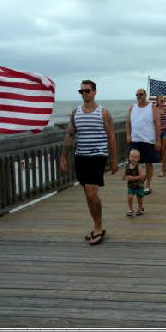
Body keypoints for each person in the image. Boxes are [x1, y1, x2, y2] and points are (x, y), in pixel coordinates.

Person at [60, 79, 118, 246]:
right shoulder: (75, 112)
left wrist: (114, 160)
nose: (84, 94)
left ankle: (98, 227)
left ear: (94, 92)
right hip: (80, 157)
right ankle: (96, 224)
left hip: (98, 156)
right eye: (81, 91)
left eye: (87, 91)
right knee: (88, 194)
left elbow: (111, 136)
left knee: (92, 193)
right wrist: (63, 157)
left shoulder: (103, 113)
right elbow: (70, 135)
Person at [125, 88, 161, 195]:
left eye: (141, 94)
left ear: (145, 95)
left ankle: (148, 185)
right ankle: (136, 182)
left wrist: (158, 141)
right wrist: (128, 135)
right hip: (135, 140)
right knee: (133, 163)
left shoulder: (152, 107)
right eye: (137, 94)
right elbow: (128, 123)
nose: (138, 96)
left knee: (148, 163)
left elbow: (158, 124)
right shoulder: (132, 108)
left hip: (148, 140)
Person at [122, 148, 146, 217]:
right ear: (129, 157)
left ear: (138, 159)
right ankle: (130, 210)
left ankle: (140, 208)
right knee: (130, 197)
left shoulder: (139, 167)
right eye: (131, 157)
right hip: (131, 185)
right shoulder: (127, 166)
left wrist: (133, 178)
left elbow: (141, 176)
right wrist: (124, 177)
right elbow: (125, 173)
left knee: (139, 197)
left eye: (135, 157)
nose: (133, 159)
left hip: (139, 185)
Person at [154, 95, 166, 177]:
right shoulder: (154, 111)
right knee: (160, 151)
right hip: (157, 132)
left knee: (164, 150)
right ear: (157, 101)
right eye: (161, 100)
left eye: (164, 100)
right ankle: (164, 166)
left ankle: (162, 170)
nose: (163, 102)